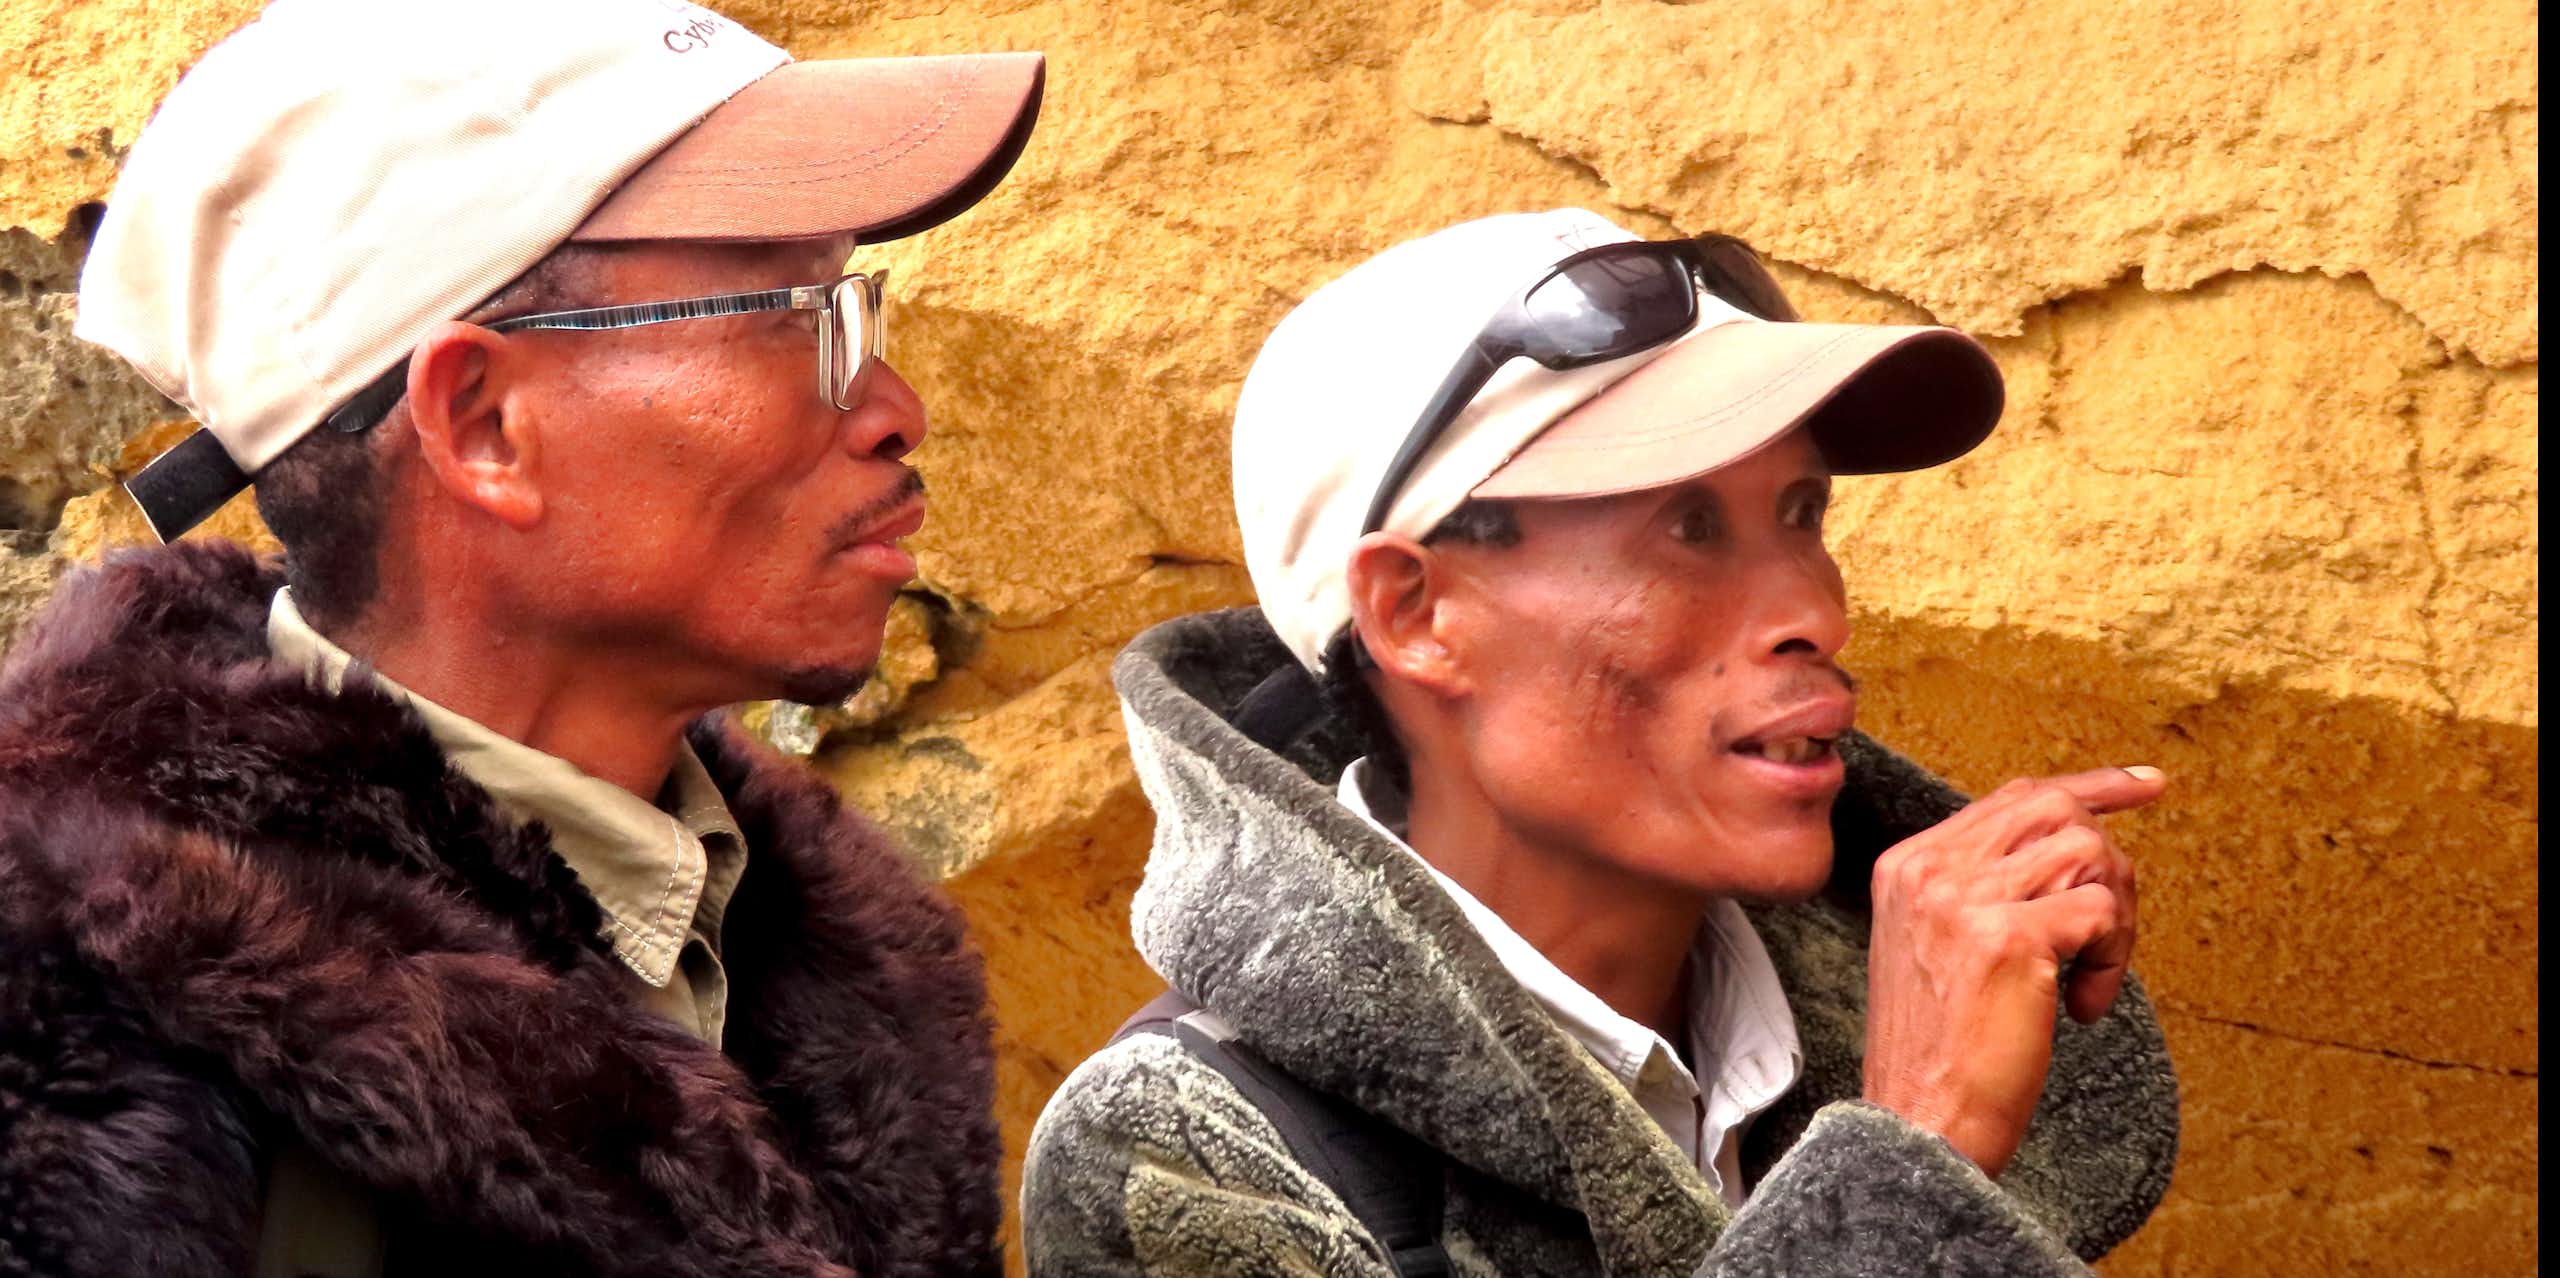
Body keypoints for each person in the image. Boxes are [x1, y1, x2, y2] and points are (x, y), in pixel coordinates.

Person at [0, 2, 1043, 1275]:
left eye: (855, 309)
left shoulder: (812, 964)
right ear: (484, 425)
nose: (894, 408)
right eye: (797, 317)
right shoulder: (85, 1064)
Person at [1022, 209, 2179, 1276]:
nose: (1814, 614)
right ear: (1416, 614)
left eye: (1801, 513)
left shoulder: (1888, 1015)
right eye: (1688, 526)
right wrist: (1914, 1145)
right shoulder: (1180, 1152)